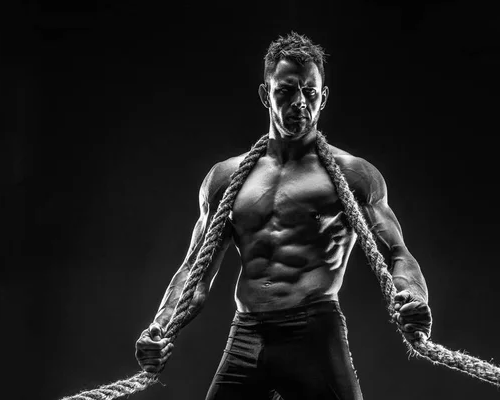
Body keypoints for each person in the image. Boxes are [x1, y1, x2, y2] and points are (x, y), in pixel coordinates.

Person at [134, 32, 432, 400]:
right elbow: (194, 274)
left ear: (323, 98)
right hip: (248, 334)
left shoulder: (354, 176)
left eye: (309, 93)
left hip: (314, 333)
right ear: (265, 94)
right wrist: (160, 329)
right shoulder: (226, 179)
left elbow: (398, 254)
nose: (299, 103)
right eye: (286, 91)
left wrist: (413, 298)